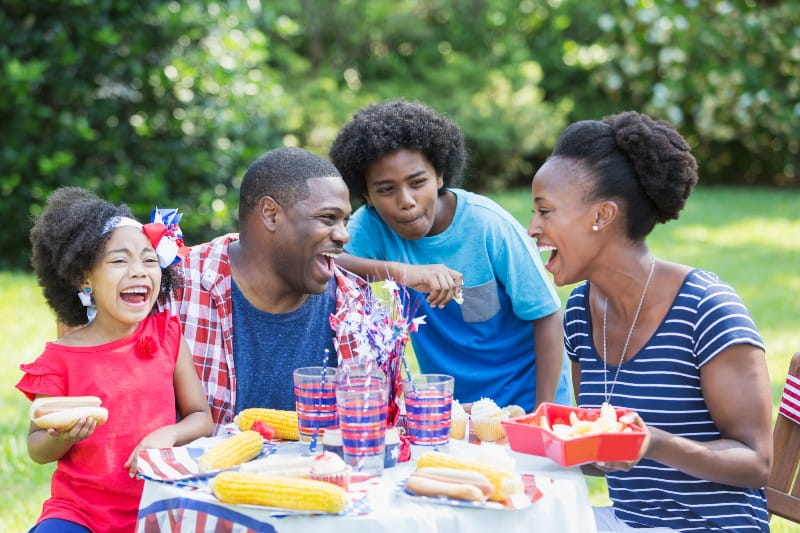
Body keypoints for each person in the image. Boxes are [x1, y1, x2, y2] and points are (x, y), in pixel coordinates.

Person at [528, 111, 772, 532]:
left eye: (545, 211)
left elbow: (756, 462)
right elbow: (603, 457)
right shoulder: (581, 311)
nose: (533, 228)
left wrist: (654, 444)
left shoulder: (706, 308)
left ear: (601, 215)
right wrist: (528, 440)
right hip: (631, 523)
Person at [329, 99, 571, 412]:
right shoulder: (373, 225)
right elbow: (329, 262)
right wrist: (406, 273)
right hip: (450, 407)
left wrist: (544, 411)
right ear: (368, 196)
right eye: (386, 190)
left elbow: (547, 315)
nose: (406, 202)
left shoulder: (488, 226)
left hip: (523, 402)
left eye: (418, 183)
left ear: (440, 176)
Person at [17, 187, 213, 533]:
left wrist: (167, 434)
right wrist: (63, 438)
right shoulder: (60, 358)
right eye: (120, 260)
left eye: (149, 260)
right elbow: (37, 448)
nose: (139, 271)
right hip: (79, 514)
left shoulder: (166, 334)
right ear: (83, 277)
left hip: (159, 506)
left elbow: (201, 417)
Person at [163, 147, 371, 433]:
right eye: (327, 218)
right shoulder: (175, 287)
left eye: (345, 220)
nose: (343, 235)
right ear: (271, 214)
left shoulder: (355, 306)